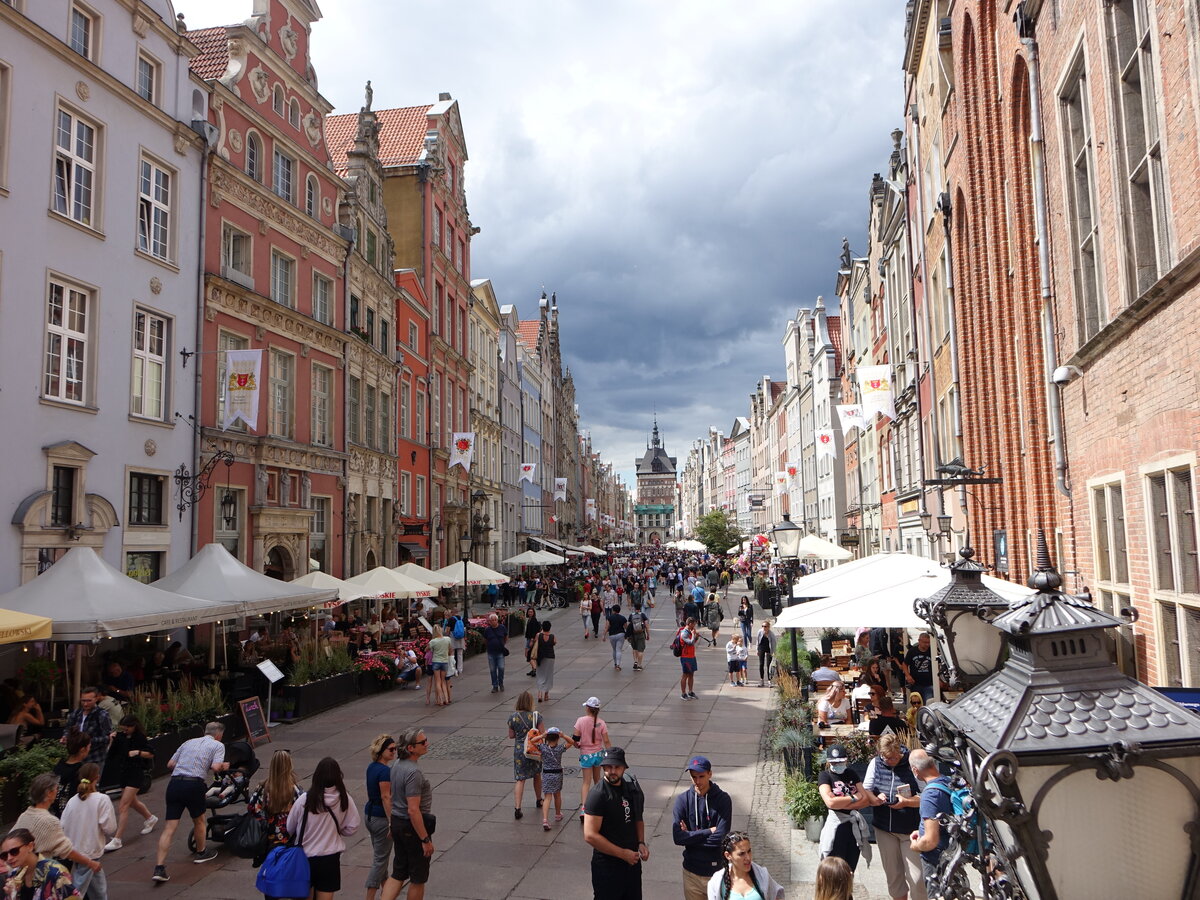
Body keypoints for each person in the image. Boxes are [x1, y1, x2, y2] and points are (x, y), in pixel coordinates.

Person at [151, 721, 230, 883]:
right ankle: (201, 853)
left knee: (169, 827)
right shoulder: (218, 745)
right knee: (199, 820)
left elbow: (170, 764)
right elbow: (215, 767)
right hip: (194, 784)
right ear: (219, 735)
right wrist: (224, 765)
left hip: (174, 783)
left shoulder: (187, 742)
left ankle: (159, 867)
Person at [286, 757, 361, 900]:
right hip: (330, 858)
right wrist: (338, 829)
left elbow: (290, 826)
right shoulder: (345, 798)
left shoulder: (304, 799)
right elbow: (353, 826)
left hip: (304, 858)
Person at [864, 733, 926, 900]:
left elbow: (925, 795)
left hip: (909, 830)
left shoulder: (912, 763)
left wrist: (906, 802)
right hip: (884, 828)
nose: (887, 761)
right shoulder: (876, 763)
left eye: (891, 757)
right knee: (894, 877)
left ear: (899, 752)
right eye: (884, 757)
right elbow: (867, 789)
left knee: (917, 877)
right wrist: (875, 799)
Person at [583, 748, 648, 900]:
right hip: (607, 867)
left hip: (631, 863)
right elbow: (590, 835)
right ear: (604, 767)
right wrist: (622, 854)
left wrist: (641, 842)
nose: (612, 771)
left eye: (617, 767)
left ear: (624, 768)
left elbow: (638, 817)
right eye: (609, 767)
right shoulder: (598, 795)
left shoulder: (632, 788)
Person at [378, 728, 435, 900]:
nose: (427, 744)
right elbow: (413, 809)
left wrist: (392, 823)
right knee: (418, 878)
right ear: (411, 748)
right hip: (412, 827)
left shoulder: (396, 765)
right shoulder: (413, 772)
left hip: (397, 822)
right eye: (422, 742)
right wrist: (425, 839)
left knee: (398, 873)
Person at [13, 774, 101, 881]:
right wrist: (90, 863)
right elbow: (67, 851)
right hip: (39, 875)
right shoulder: (49, 821)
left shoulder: (24, 815)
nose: (57, 791)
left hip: (20, 873)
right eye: (56, 789)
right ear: (49, 793)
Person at [671, 755, 732, 900]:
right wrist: (708, 831)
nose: (697, 781)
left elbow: (720, 838)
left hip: (716, 873)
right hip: (691, 873)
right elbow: (678, 837)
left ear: (710, 774)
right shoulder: (682, 800)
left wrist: (690, 836)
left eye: (701, 776)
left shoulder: (723, 800)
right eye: (693, 777)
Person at [59, 763, 114, 899]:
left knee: (89, 889)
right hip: (91, 852)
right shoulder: (102, 799)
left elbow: (62, 824)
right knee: (91, 891)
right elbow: (110, 828)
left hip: (75, 851)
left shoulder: (72, 801)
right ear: (98, 777)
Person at [103, 716, 157, 850]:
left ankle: (117, 839)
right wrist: (111, 740)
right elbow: (110, 754)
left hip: (136, 773)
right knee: (132, 802)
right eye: (123, 727)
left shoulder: (139, 737)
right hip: (123, 772)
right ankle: (150, 818)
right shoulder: (119, 737)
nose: (125, 729)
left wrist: (137, 752)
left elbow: (151, 753)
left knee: (123, 805)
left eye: (127, 727)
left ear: (134, 726)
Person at [817, 744, 873, 872]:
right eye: (834, 763)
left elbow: (865, 800)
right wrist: (853, 797)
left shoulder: (851, 774)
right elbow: (830, 803)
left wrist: (840, 801)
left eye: (840, 762)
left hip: (853, 827)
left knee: (849, 869)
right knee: (834, 870)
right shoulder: (825, 776)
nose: (837, 765)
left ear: (846, 760)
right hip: (837, 826)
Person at [246, 748, 302, 871]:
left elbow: (252, 808)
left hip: (270, 837)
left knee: (271, 867)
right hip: (289, 836)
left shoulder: (263, 788)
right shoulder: (294, 789)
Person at [909, 749, 952, 890]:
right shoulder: (947, 781)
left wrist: (915, 845)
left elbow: (929, 841)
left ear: (915, 770)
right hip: (952, 854)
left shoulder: (930, 795)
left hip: (936, 860)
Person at [0, 827, 80, 900]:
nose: (9, 858)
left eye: (14, 851)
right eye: (4, 855)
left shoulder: (55, 872)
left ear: (30, 846)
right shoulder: (14, 875)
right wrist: (12, 895)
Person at [364, 736, 398, 900]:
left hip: (369, 815)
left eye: (395, 748)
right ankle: (370, 896)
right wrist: (392, 822)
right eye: (391, 749)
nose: (394, 752)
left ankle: (387, 895)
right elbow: (386, 797)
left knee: (381, 858)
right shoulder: (385, 771)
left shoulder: (372, 767)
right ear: (380, 751)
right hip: (381, 819)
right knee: (380, 860)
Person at [704, 830, 784, 900]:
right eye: (741, 854)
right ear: (728, 855)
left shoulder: (762, 875)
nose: (748, 858)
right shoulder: (717, 882)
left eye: (749, 851)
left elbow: (777, 894)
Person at [529, 727, 576, 831]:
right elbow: (572, 742)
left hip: (546, 774)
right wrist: (563, 735)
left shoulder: (542, 747)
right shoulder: (560, 749)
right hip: (557, 774)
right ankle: (558, 814)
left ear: (547, 738)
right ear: (557, 738)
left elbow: (531, 741)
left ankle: (545, 819)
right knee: (557, 795)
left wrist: (541, 735)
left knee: (547, 797)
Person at [506, 692, 543, 820]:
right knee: (537, 775)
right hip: (533, 750)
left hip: (520, 750)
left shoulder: (513, 717)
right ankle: (539, 800)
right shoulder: (536, 716)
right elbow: (542, 734)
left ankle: (517, 807)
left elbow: (511, 735)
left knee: (520, 779)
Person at [573, 697, 611, 822]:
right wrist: (610, 754)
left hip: (586, 755)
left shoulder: (580, 721)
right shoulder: (602, 723)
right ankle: (599, 805)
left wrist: (577, 744)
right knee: (597, 780)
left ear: (588, 708)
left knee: (586, 782)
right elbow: (606, 741)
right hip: (598, 755)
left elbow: (575, 739)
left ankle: (584, 808)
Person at [64, 688, 112, 768]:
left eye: (89, 701)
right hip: (76, 757)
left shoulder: (102, 715)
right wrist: (65, 737)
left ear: (96, 699)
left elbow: (107, 738)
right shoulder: (76, 713)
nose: (85, 704)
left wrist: (87, 740)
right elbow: (68, 729)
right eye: (83, 701)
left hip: (94, 758)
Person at [51, 732, 91, 818]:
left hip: (58, 811)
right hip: (75, 814)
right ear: (82, 750)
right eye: (89, 747)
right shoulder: (82, 770)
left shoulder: (59, 766)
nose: (89, 749)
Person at [901, 633, 935, 703]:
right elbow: (904, 664)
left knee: (928, 703)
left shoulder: (932, 651)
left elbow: (937, 665)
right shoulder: (912, 651)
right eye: (925, 642)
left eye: (928, 642)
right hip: (915, 684)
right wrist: (908, 675)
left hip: (929, 684)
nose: (927, 645)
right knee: (917, 704)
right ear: (919, 641)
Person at [482, 613, 508, 693]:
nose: (493, 622)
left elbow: (505, 637)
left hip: (500, 652)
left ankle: (501, 683)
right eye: (492, 620)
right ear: (489, 621)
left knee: (501, 668)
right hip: (491, 652)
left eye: (495, 620)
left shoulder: (502, 628)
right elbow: (485, 640)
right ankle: (495, 685)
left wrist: (502, 644)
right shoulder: (487, 630)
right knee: (492, 670)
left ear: (497, 620)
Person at [532, 620, 557, 702]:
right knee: (548, 676)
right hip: (550, 658)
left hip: (541, 658)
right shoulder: (552, 636)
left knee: (540, 675)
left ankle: (539, 694)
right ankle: (546, 695)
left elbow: (533, 643)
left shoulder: (538, 635)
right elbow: (554, 643)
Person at [427, 625, 452, 707]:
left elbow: (427, 649)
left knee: (437, 681)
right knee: (443, 681)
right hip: (444, 662)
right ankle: (446, 699)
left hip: (436, 661)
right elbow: (450, 650)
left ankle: (440, 700)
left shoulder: (433, 641)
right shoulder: (447, 639)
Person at [678, 617, 700, 700]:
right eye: (694, 624)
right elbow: (690, 642)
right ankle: (683, 693)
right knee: (685, 675)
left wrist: (696, 637)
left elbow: (693, 642)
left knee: (691, 674)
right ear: (690, 624)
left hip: (692, 656)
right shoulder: (684, 633)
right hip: (686, 657)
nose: (695, 626)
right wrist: (693, 634)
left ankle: (690, 692)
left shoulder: (690, 631)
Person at [602, 605, 628, 671]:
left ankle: (615, 663)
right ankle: (618, 665)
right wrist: (627, 635)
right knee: (618, 650)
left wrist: (604, 635)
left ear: (613, 610)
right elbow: (626, 627)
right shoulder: (623, 618)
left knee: (614, 650)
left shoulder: (610, 618)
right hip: (621, 634)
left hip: (612, 635)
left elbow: (606, 627)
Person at [626, 603, 650, 671]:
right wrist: (648, 634)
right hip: (641, 634)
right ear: (640, 608)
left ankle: (635, 661)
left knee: (634, 648)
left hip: (633, 635)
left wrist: (628, 635)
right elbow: (646, 625)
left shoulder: (631, 615)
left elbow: (628, 625)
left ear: (634, 608)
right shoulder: (642, 615)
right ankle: (639, 665)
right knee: (641, 650)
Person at [756, 620, 778, 687]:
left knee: (769, 665)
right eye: (762, 626)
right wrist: (757, 649)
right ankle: (761, 680)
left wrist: (774, 652)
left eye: (765, 626)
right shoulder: (760, 632)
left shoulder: (771, 634)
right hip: (761, 647)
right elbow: (757, 640)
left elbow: (774, 644)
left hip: (769, 648)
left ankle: (769, 680)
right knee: (761, 664)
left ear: (768, 627)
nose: (764, 628)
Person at [523, 607, 541, 677]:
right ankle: (533, 669)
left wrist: (532, 640)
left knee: (528, 654)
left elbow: (534, 631)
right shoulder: (530, 620)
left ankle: (535, 668)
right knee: (531, 654)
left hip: (530, 639)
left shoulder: (533, 620)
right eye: (529, 612)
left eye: (531, 612)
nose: (530, 613)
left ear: (533, 613)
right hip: (529, 638)